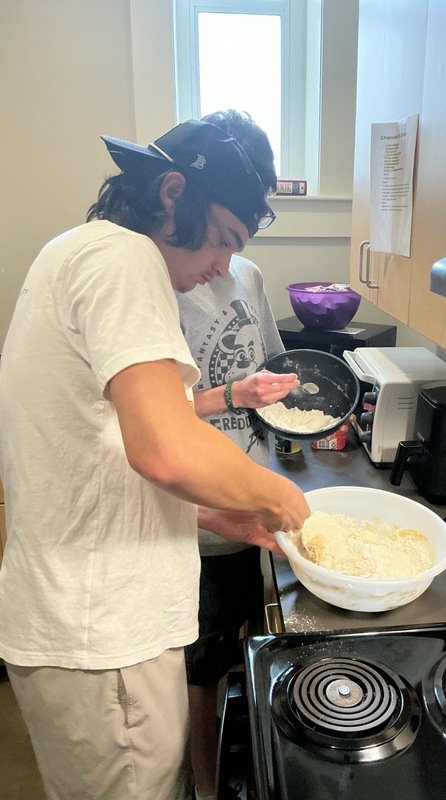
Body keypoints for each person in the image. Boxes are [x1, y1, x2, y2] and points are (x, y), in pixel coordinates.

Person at [0, 119, 310, 800]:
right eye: (225, 237)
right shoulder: (123, 260)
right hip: (103, 634)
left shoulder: (78, 251)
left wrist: (215, 514)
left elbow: (100, 445)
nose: (226, 265)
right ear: (173, 192)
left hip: (87, 622)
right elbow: (165, 448)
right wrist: (282, 497)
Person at [176, 110, 285, 800]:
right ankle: (205, 785)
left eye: (236, 238)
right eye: (221, 235)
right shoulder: (164, 279)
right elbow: (151, 419)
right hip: (194, 521)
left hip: (251, 502)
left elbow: (268, 368)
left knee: (249, 651)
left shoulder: (245, 273)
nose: (223, 257)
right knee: (197, 672)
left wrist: (296, 412)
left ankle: (236, 768)